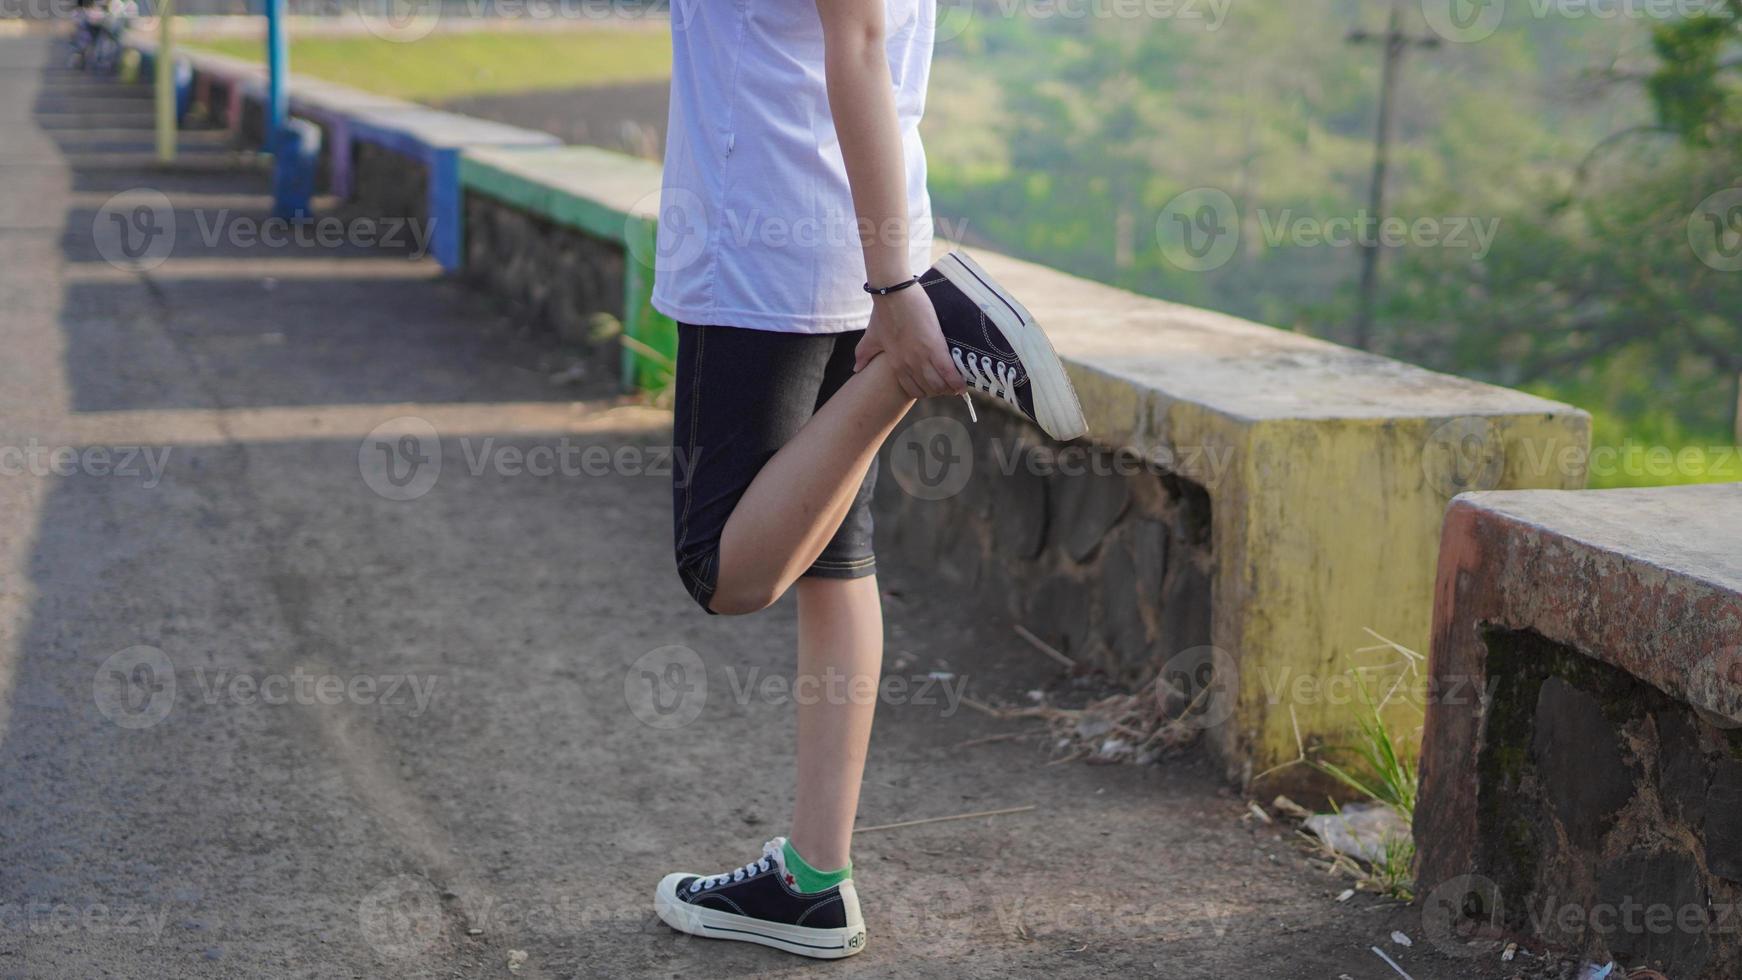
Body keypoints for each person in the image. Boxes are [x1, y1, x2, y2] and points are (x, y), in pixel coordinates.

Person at [649, 0, 1085, 959]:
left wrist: (896, 296)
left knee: (723, 571)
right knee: (836, 562)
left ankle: (915, 362)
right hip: (847, 228)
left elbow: (855, 41)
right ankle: (812, 880)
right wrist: (890, 271)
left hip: (765, 246)